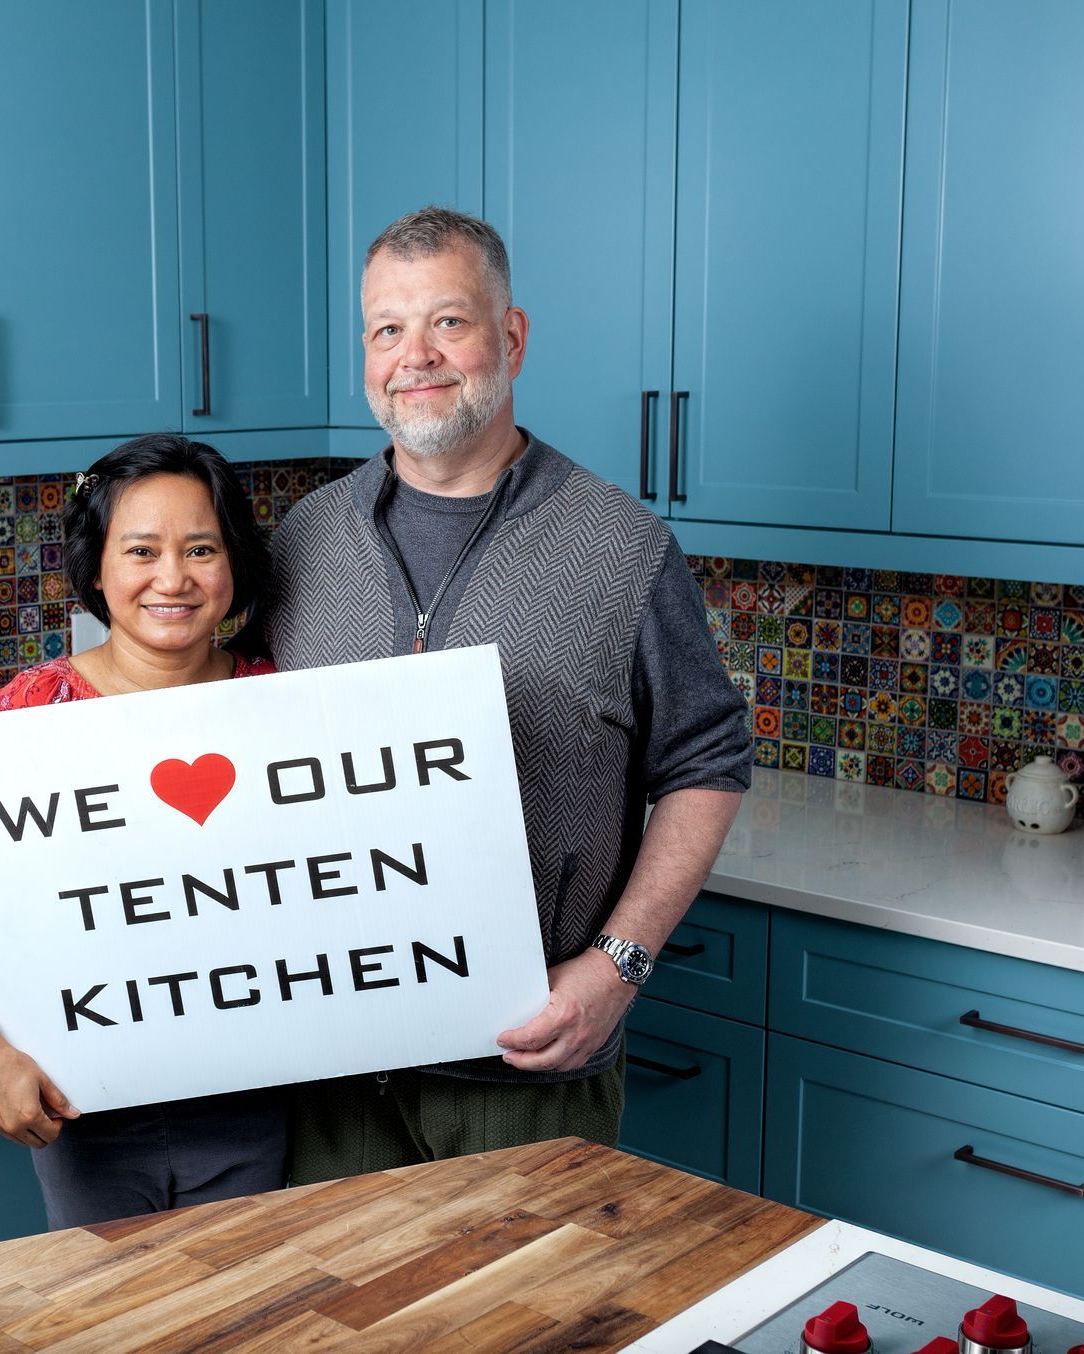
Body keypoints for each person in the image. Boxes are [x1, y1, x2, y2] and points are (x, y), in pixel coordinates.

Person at [267, 206, 753, 1182]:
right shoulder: (302, 542)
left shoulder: (622, 550)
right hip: (325, 1074)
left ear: (512, 336)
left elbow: (709, 761)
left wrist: (618, 966)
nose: (416, 356)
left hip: (526, 1072)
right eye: (386, 329)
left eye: (448, 321)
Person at [0, 433, 286, 1229]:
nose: (172, 579)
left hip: (263, 1103)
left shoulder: (284, 704)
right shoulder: (32, 713)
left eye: (200, 549)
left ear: (234, 563)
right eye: (141, 550)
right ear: (98, 570)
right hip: (86, 1116)